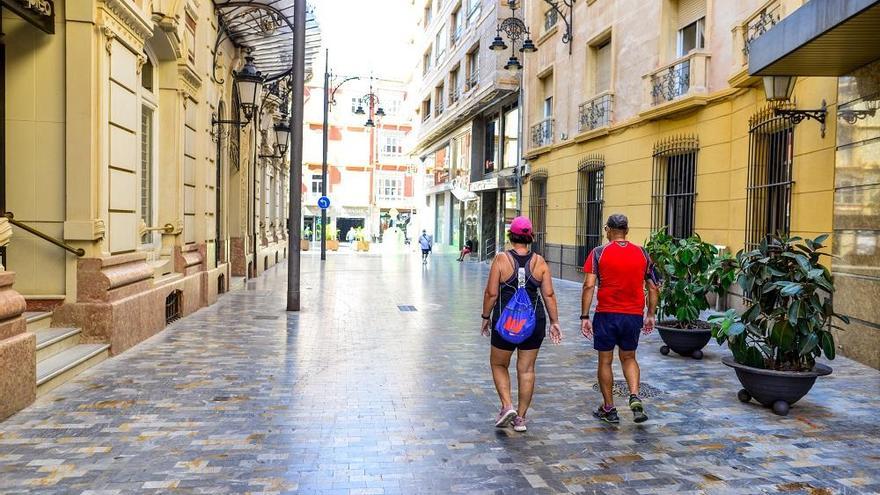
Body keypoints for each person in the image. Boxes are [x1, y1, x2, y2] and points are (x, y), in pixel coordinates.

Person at [481, 216, 562, 432]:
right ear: (530, 237)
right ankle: (521, 419)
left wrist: (485, 317)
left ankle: (507, 406)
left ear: (511, 235)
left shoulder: (501, 260)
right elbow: (550, 294)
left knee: (499, 364)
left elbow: (491, 293)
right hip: (533, 323)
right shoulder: (540, 262)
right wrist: (554, 322)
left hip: (505, 323)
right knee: (526, 370)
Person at [580, 214, 660, 424]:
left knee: (605, 361)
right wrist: (650, 314)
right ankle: (634, 396)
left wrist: (585, 316)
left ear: (608, 230)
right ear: (626, 230)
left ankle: (610, 408)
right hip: (633, 315)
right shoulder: (643, 254)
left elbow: (589, 285)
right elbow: (653, 286)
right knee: (629, 357)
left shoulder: (598, 253)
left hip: (607, 314)